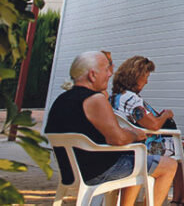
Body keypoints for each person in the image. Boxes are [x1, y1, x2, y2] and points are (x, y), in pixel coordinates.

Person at [45, 51, 176, 206]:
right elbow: (118, 138)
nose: (110, 74)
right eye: (106, 70)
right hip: (98, 172)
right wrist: (134, 134)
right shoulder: (95, 99)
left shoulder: (61, 100)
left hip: (70, 172)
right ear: (92, 75)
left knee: (135, 158)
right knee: (169, 165)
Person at [110, 56, 184, 206]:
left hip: (131, 144)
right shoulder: (132, 99)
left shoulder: (115, 98)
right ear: (136, 76)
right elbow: (153, 125)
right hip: (146, 146)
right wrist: (166, 115)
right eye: (146, 77)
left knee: (180, 146)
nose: (146, 81)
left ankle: (179, 200)